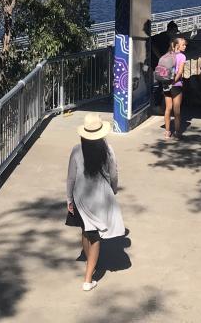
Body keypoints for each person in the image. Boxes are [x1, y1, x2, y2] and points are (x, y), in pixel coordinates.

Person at [66, 113, 124, 291]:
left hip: (80, 197)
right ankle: (88, 279)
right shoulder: (108, 150)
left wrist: (69, 199)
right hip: (101, 197)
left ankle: (88, 257)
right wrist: (114, 189)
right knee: (96, 237)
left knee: (86, 231)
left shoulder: (76, 150)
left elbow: (70, 178)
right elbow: (113, 173)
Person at [159, 34, 188, 138]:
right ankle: (177, 132)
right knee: (177, 110)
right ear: (177, 46)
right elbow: (180, 72)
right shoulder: (182, 56)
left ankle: (167, 132)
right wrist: (174, 82)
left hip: (166, 84)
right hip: (176, 85)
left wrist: (168, 82)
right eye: (183, 45)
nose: (185, 46)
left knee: (168, 109)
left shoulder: (168, 54)